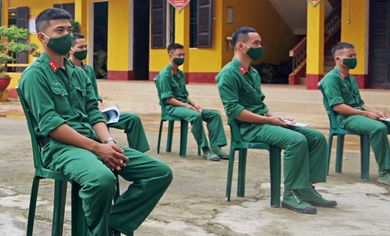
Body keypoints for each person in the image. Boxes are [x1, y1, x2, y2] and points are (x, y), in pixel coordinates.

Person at [20, 8, 173, 236]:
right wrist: (97, 148)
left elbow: (93, 111)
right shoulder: (35, 75)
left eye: (69, 30)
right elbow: (51, 124)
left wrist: (109, 143)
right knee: (102, 179)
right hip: (60, 148)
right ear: (43, 38)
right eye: (60, 31)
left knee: (159, 172)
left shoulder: (80, 72)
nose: (67, 35)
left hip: (93, 143)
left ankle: (113, 223)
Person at [216, 26, 334, 213]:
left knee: (316, 137)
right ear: (241, 46)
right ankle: (290, 194)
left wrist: (275, 117)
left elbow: (260, 106)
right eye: (256, 43)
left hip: (263, 122)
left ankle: (306, 187)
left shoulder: (252, 73)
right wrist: (268, 121)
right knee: (296, 140)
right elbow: (234, 111)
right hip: (248, 128)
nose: (260, 46)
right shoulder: (228, 73)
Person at [319, 42, 390, 186]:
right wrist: (365, 115)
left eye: (355, 55)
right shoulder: (331, 79)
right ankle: (385, 172)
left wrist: (374, 112)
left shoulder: (349, 78)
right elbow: (338, 107)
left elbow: (360, 102)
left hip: (357, 114)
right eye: (350, 56)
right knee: (378, 128)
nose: (354, 59)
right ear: (338, 59)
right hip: (345, 118)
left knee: (385, 123)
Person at [68, 33, 150, 153]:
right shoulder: (65, 70)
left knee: (133, 119)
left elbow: (95, 95)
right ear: (70, 49)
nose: (84, 50)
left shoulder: (88, 70)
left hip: (97, 112)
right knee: (101, 124)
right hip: (83, 116)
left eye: (86, 47)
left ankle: (139, 154)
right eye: (80, 47)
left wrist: (101, 108)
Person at [154, 42, 229, 161]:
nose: (182, 58)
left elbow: (185, 94)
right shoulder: (164, 75)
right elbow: (168, 99)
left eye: (183, 55)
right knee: (195, 116)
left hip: (184, 105)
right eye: (179, 55)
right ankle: (205, 149)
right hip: (172, 107)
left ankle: (216, 147)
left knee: (214, 115)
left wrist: (194, 104)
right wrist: (188, 107)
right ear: (170, 56)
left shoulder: (180, 73)